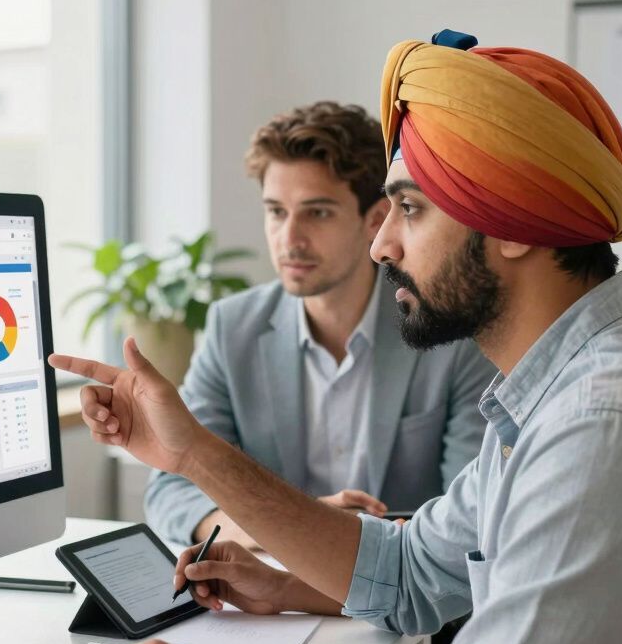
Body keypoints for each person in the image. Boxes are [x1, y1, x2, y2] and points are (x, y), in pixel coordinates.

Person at [50, 30, 622, 644]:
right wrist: (193, 455)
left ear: (512, 226)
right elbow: (408, 569)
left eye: (411, 209)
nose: (382, 242)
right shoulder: (564, 390)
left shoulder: (606, 429)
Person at [145, 101, 492, 549]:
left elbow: (472, 512)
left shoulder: (446, 330)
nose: (289, 239)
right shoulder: (233, 329)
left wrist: (333, 536)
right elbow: (171, 489)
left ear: (375, 221)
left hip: (408, 583)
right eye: (276, 212)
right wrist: (288, 526)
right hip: (268, 582)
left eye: (317, 213)